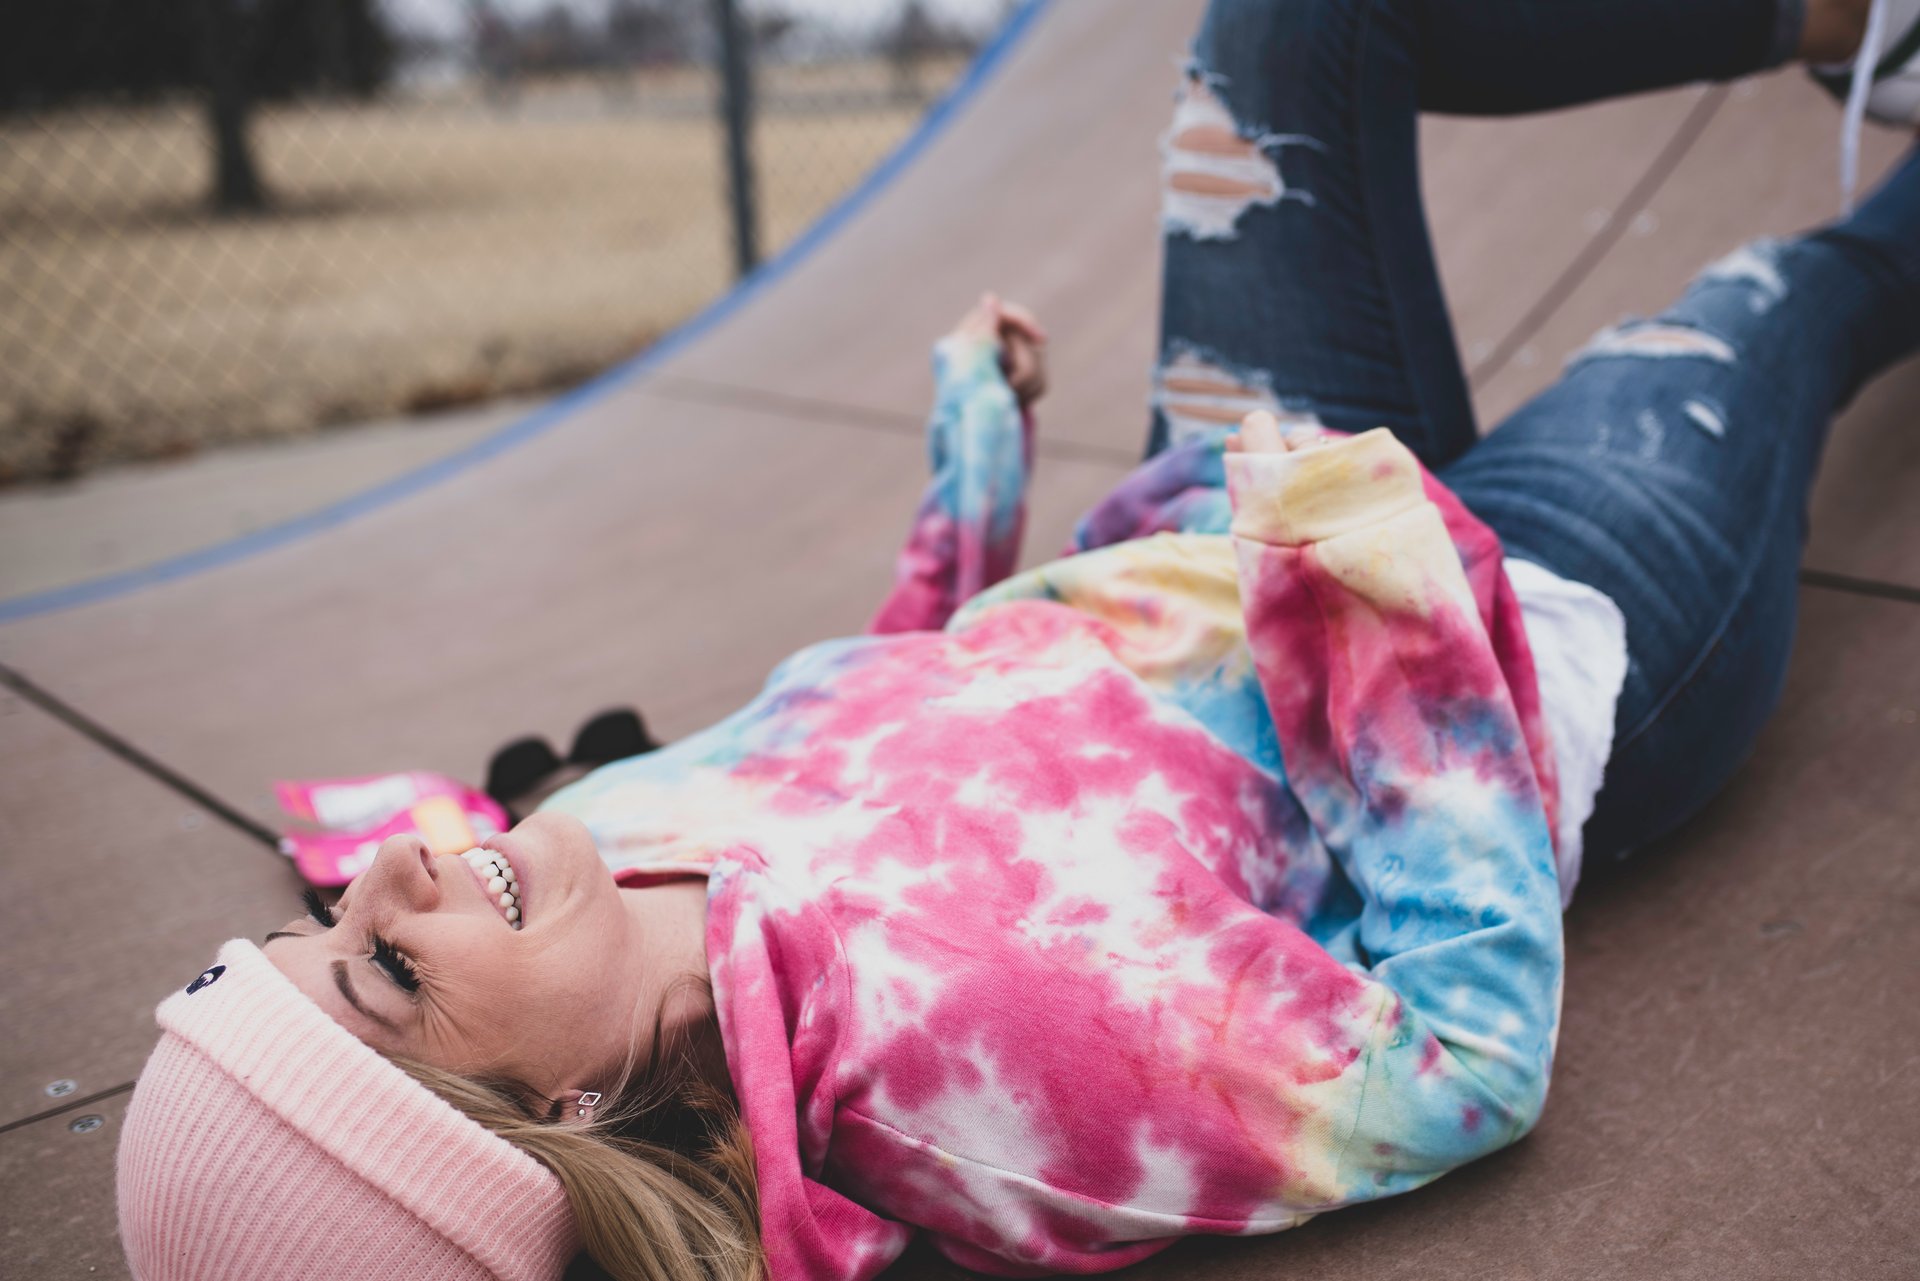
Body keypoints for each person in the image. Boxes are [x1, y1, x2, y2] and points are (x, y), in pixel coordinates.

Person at [116, 0, 1920, 1277]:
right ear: (561, 1115)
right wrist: (1381, 624)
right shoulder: (983, 1079)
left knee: (1289, 22)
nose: (406, 872)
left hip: (1238, 511)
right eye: (390, 975)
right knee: (1786, 294)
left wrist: (970, 490)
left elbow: (878, 723)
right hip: (1518, 653)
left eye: (330, 917)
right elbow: (1462, 1062)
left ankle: (1842, 14)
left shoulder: (596, 851)